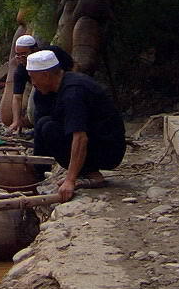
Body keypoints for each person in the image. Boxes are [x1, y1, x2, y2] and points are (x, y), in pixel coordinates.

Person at [26, 50, 125, 202]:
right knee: (43, 123)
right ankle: (38, 173)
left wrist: (70, 181)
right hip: (97, 140)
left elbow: (80, 137)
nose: (33, 83)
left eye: (33, 77)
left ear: (45, 75)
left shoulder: (73, 92)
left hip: (108, 149)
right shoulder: (65, 84)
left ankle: (92, 175)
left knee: (50, 129)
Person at [0, 34, 74, 134]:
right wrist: (16, 120)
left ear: (34, 50)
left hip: (62, 86)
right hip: (42, 89)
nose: (21, 58)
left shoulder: (53, 53)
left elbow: (72, 66)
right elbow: (17, 97)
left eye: (24, 55)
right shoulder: (21, 70)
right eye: (17, 55)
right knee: (37, 108)